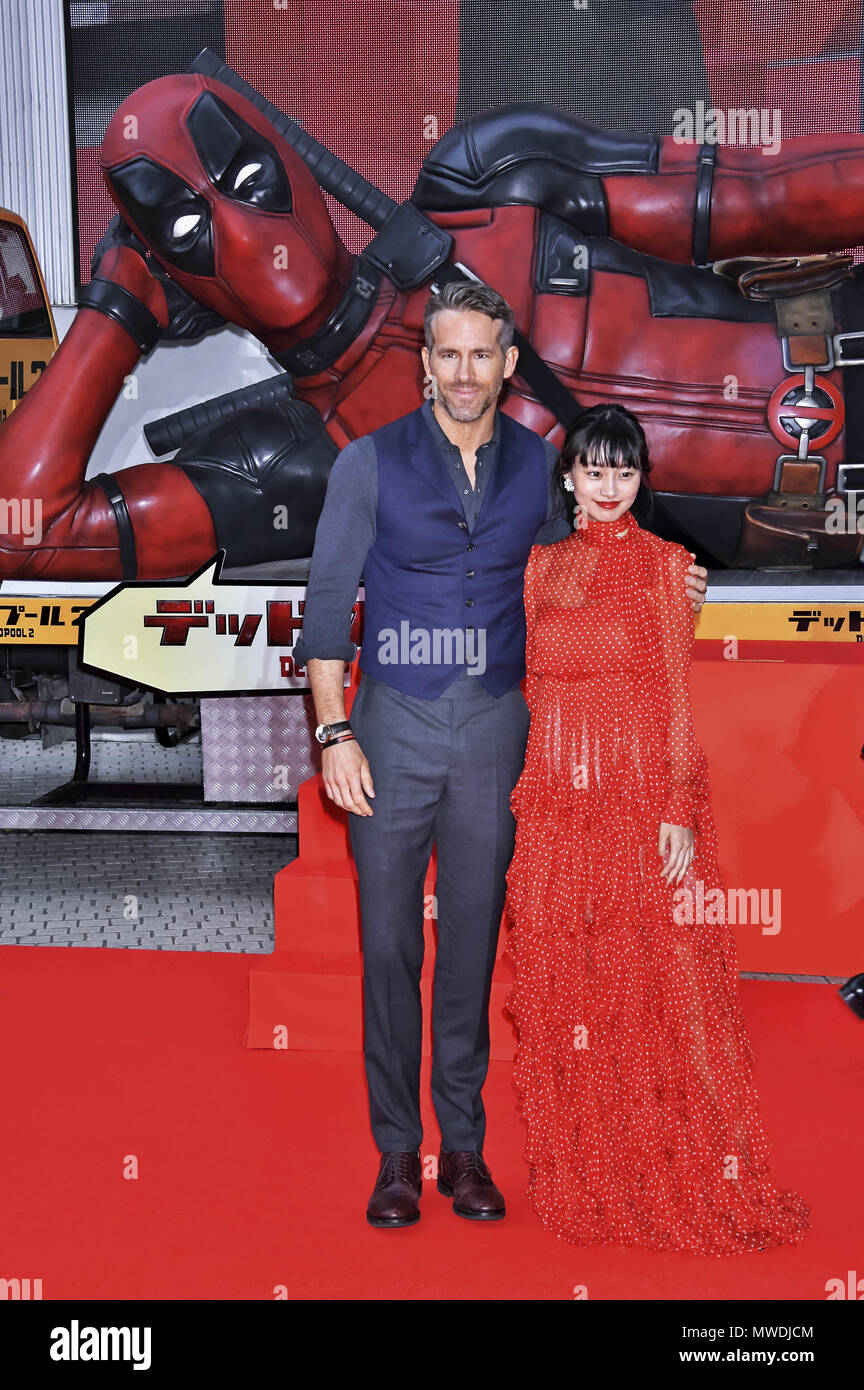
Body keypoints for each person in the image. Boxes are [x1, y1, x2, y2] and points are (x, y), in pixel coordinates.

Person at [292, 281, 709, 1229]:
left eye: (484, 354)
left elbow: (593, 560)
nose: (466, 372)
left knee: (473, 945)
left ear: (509, 363)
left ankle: (464, 1151)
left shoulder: (538, 467)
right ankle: (399, 1153)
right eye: (449, 355)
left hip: (496, 734)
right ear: (426, 363)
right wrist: (334, 732)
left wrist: (675, 577)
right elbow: (325, 618)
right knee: (391, 946)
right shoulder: (367, 464)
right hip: (390, 726)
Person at [504, 402, 811, 1255]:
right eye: (594, 471)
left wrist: (675, 807)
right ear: (568, 478)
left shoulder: (667, 569)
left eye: (624, 472)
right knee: (571, 984)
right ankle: (592, 1163)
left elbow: (675, 695)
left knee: (662, 983)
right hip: (559, 809)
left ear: (642, 480)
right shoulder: (538, 573)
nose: (609, 488)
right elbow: (528, 688)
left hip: (641, 802)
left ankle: (684, 1162)